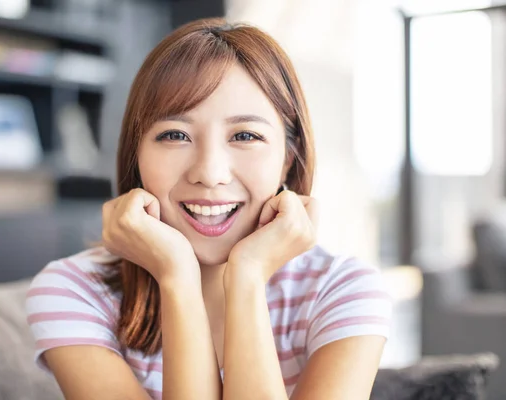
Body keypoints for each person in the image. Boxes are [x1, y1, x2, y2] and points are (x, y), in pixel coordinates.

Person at [25, 17, 393, 400]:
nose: (210, 173)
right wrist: (176, 277)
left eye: (245, 135)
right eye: (175, 135)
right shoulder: (73, 292)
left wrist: (247, 278)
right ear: (137, 157)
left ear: (288, 157)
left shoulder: (343, 291)